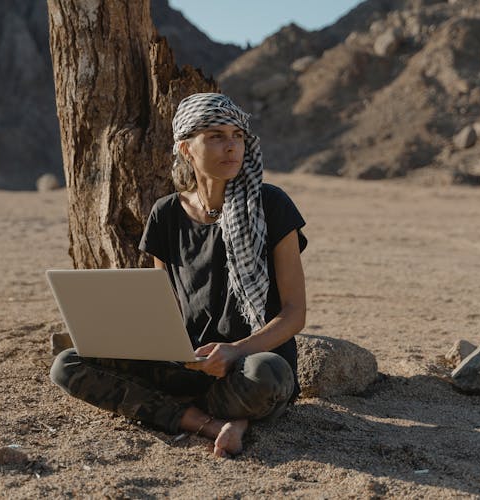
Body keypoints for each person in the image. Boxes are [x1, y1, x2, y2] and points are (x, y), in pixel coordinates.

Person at [50, 93, 307, 457]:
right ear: (187, 149)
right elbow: (163, 305)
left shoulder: (272, 206)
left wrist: (235, 351)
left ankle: (196, 411)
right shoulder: (166, 214)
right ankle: (211, 422)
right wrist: (161, 350)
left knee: (268, 374)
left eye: (237, 135)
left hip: (249, 362)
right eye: (216, 136)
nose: (232, 146)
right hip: (189, 364)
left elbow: (294, 312)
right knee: (68, 364)